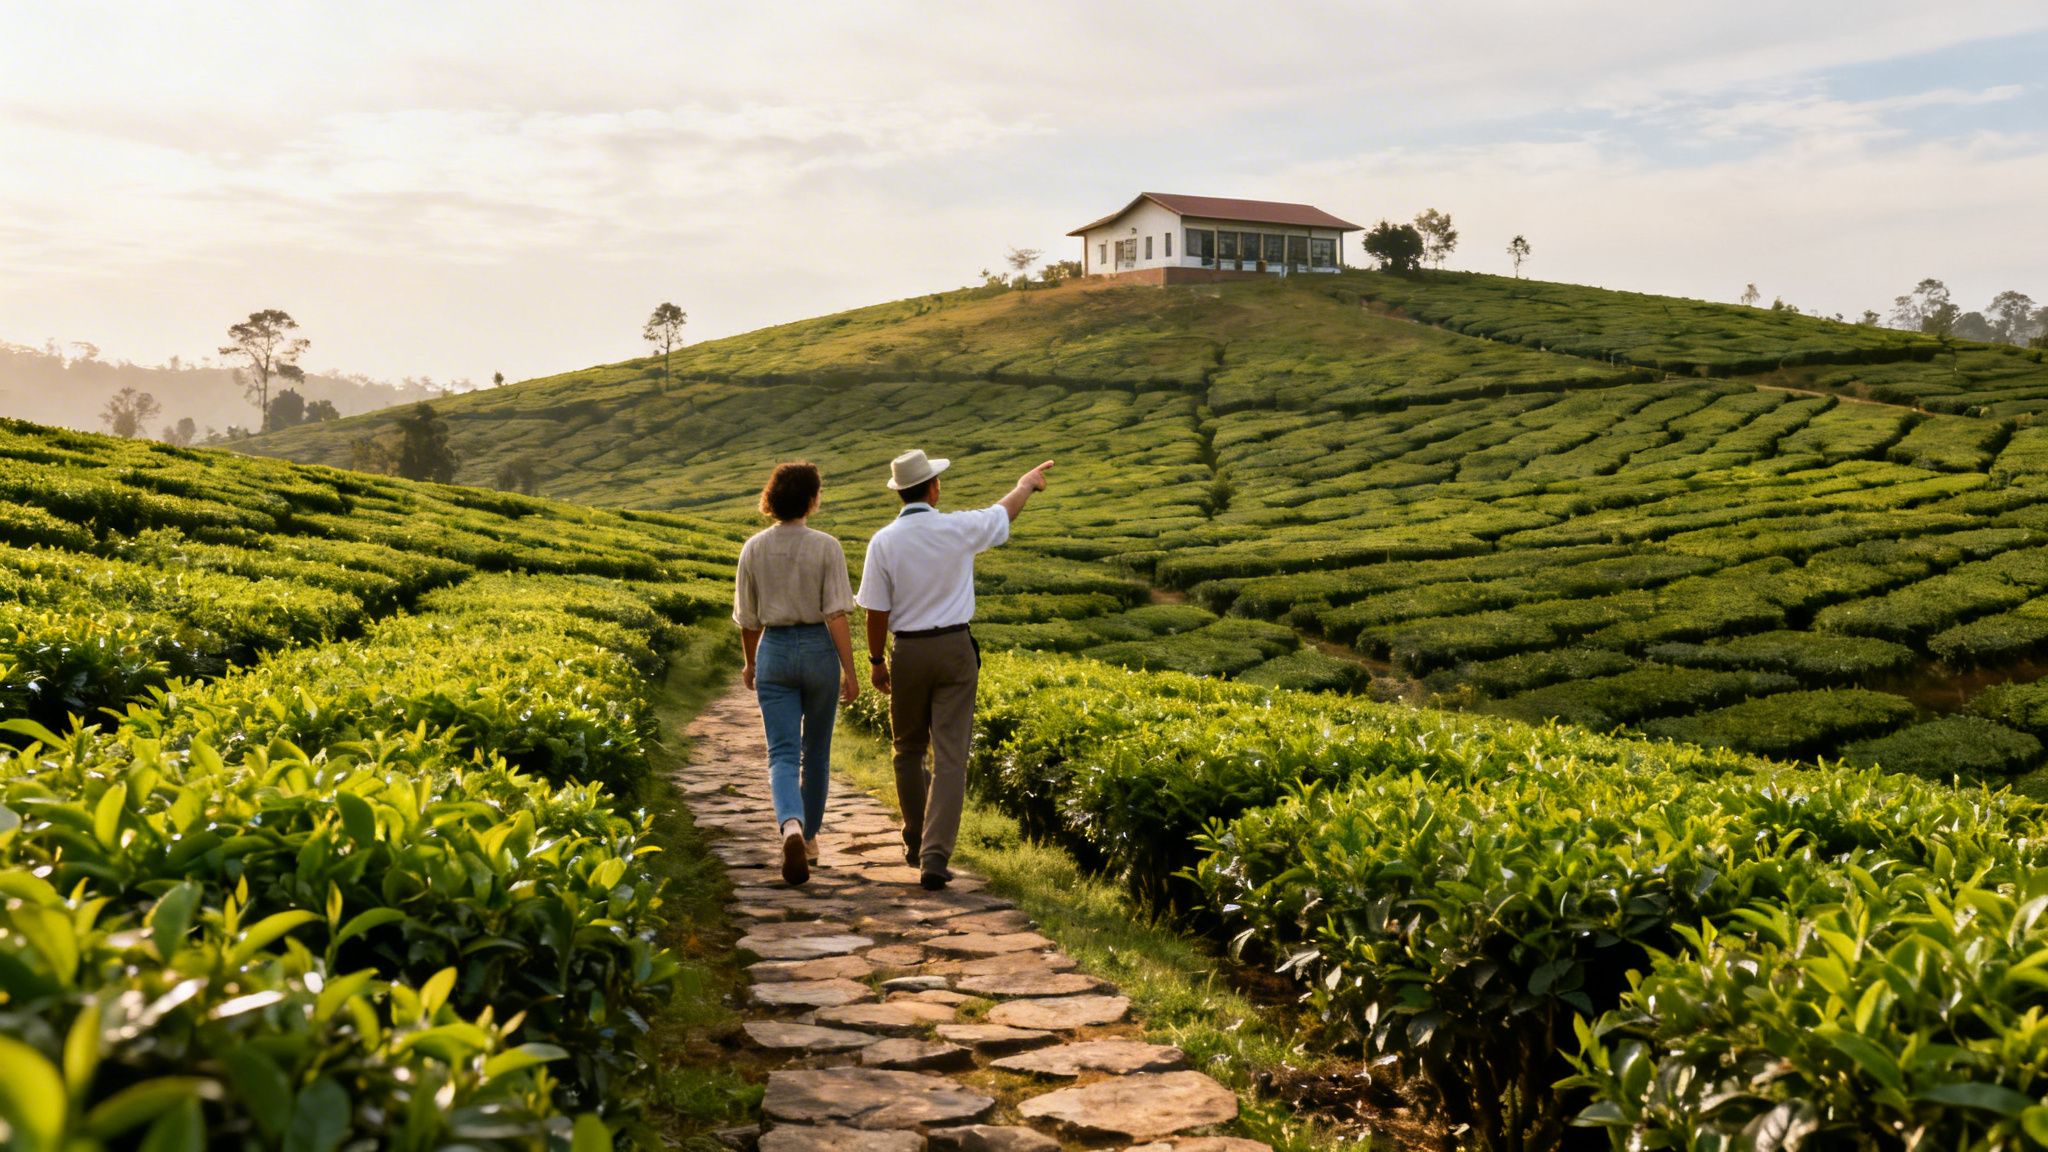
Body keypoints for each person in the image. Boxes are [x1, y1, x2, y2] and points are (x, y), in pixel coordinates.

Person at [857, 448, 1054, 890]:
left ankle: (914, 838)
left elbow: (875, 611)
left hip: (907, 650)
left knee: (907, 749)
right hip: (954, 648)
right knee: (949, 757)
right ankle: (934, 855)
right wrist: (1025, 485)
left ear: (899, 494)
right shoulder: (957, 528)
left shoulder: (883, 541)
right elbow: (1003, 514)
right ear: (932, 487)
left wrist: (875, 661)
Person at [733, 461, 861, 886]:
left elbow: (748, 620)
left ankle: (790, 825)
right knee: (817, 753)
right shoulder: (827, 546)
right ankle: (808, 839)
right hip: (817, 649)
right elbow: (837, 615)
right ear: (811, 499)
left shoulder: (753, 548)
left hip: (774, 648)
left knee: (782, 754)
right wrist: (851, 670)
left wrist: (751, 663)